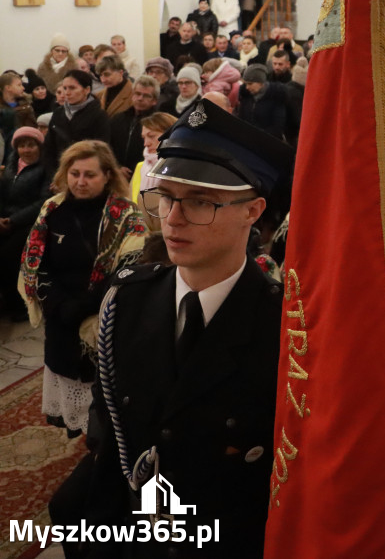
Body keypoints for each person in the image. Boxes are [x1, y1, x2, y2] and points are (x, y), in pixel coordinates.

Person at [57, 99, 293, 558]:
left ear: (253, 210)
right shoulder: (128, 300)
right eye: (165, 197)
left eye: (201, 201)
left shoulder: (283, 326)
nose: (173, 218)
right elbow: (111, 426)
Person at [19, 141, 147, 436]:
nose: (80, 181)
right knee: (70, 394)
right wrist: (58, 304)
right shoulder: (52, 208)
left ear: (107, 176)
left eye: (89, 175)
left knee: (106, 409)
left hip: (102, 318)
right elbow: (36, 261)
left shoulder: (126, 215)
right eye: (74, 173)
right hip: (61, 315)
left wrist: (86, 305)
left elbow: (129, 268)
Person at [0, 127, 50, 320]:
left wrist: (12, 221)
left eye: (31, 145)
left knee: (7, 256)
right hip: (6, 220)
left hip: (30, 223)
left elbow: (42, 202)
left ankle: (17, 305)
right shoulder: (11, 166)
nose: (26, 150)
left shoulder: (45, 168)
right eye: (22, 145)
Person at [41, 70, 111, 175]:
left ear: (87, 90)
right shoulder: (58, 113)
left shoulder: (98, 115)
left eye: (72, 88)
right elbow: (49, 149)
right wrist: (54, 175)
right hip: (59, 173)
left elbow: (101, 151)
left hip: (85, 173)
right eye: (65, 88)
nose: (67, 92)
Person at [129, 111, 176, 231]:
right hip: (140, 233)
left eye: (151, 136)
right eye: (144, 138)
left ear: (169, 134)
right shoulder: (140, 167)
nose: (146, 143)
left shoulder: (179, 167)